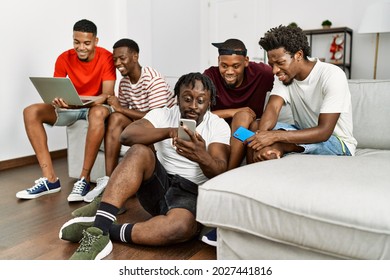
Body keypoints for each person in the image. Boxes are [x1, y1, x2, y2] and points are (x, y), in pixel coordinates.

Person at [59, 72, 231, 260]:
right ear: (177, 97)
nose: (192, 106)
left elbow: (220, 170)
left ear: (209, 103)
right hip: (160, 183)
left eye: (200, 101)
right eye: (187, 99)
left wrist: (201, 156)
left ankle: (104, 228)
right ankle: (98, 232)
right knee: (139, 150)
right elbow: (127, 135)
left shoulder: (218, 126)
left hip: (190, 193)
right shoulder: (163, 114)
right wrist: (170, 131)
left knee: (181, 228)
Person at [16, 19, 116, 202]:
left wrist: (86, 103)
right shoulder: (64, 57)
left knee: (99, 112)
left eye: (87, 43)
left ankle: (84, 179)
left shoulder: (107, 57)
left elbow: (107, 95)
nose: (81, 47)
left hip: (95, 107)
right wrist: (58, 101)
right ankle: (50, 180)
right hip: (70, 107)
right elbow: (57, 89)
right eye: (76, 42)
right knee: (30, 111)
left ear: (96, 41)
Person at [83, 38, 176, 203]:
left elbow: (157, 116)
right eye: (115, 59)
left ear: (135, 57)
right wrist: (116, 109)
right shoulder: (124, 83)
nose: (118, 63)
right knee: (116, 118)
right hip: (142, 123)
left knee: (118, 114)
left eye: (122, 58)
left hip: (162, 126)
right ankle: (109, 180)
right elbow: (124, 114)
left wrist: (119, 108)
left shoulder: (154, 80)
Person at [247, 25, 357, 162]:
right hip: (303, 132)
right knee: (256, 126)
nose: (275, 70)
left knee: (277, 138)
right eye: (271, 64)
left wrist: (274, 137)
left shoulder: (332, 75)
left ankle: (279, 148)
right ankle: (261, 163)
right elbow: (273, 108)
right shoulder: (285, 76)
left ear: (298, 55)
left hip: (337, 144)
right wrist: (262, 137)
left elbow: (324, 132)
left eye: (280, 63)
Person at [203, 38, 274, 170]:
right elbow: (200, 114)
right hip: (220, 129)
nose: (229, 72)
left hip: (247, 132)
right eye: (224, 66)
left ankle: (233, 172)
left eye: (236, 66)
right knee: (243, 116)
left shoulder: (263, 73)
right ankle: (231, 172)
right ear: (218, 61)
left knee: (251, 123)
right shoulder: (210, 76)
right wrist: (232, 111)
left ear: (246, 61)